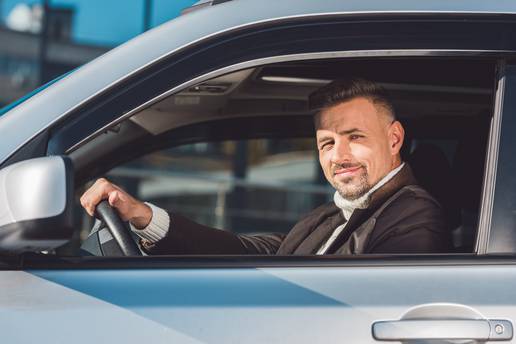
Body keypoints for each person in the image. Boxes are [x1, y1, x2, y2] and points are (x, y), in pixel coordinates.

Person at [80, 78, 452, 255]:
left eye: (355, 137)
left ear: (394, 139)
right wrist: (144, 216)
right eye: (327, 143)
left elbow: (367, 312)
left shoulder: (414, 217)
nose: (339, 156)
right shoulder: (329, 216)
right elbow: (250, 252)